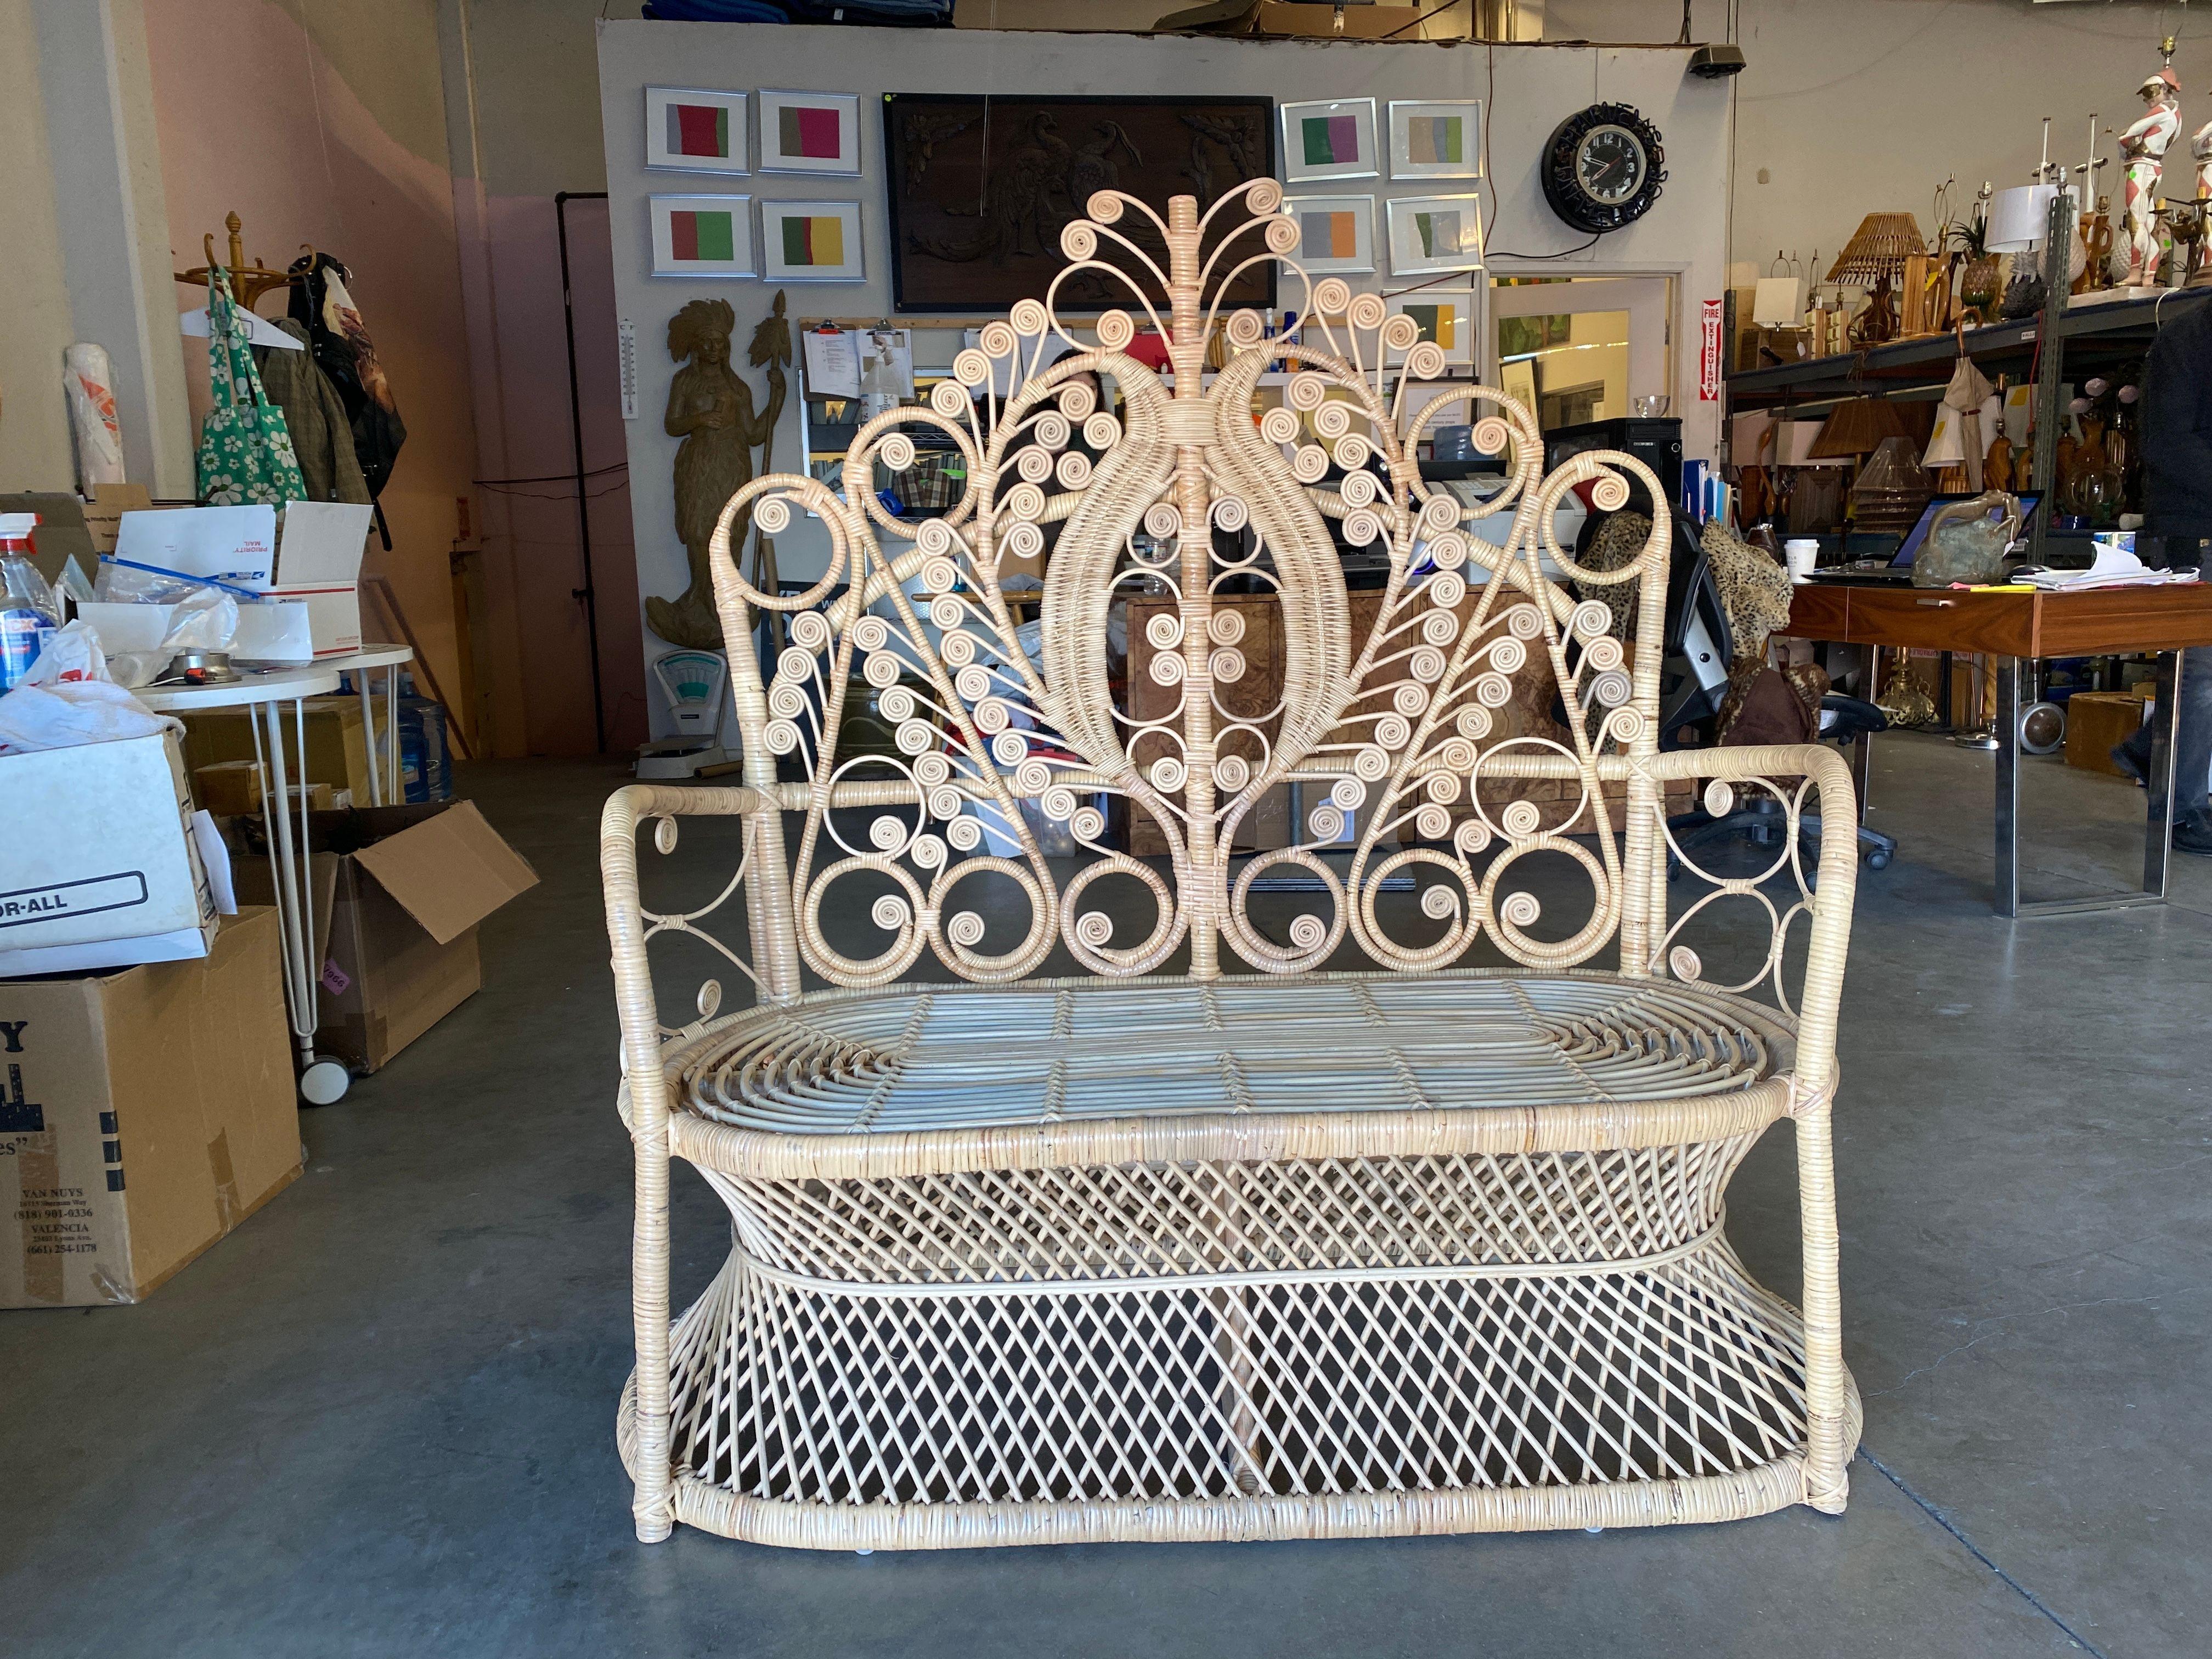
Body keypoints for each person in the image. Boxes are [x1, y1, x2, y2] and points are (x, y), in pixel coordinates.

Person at [2115, 294, 2212, 850]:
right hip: (2193, 526)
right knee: (2199, 674)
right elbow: (2166, 443)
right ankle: (2181, 810)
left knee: (2202, 674)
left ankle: (2153, 749)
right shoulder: (2185, 338)